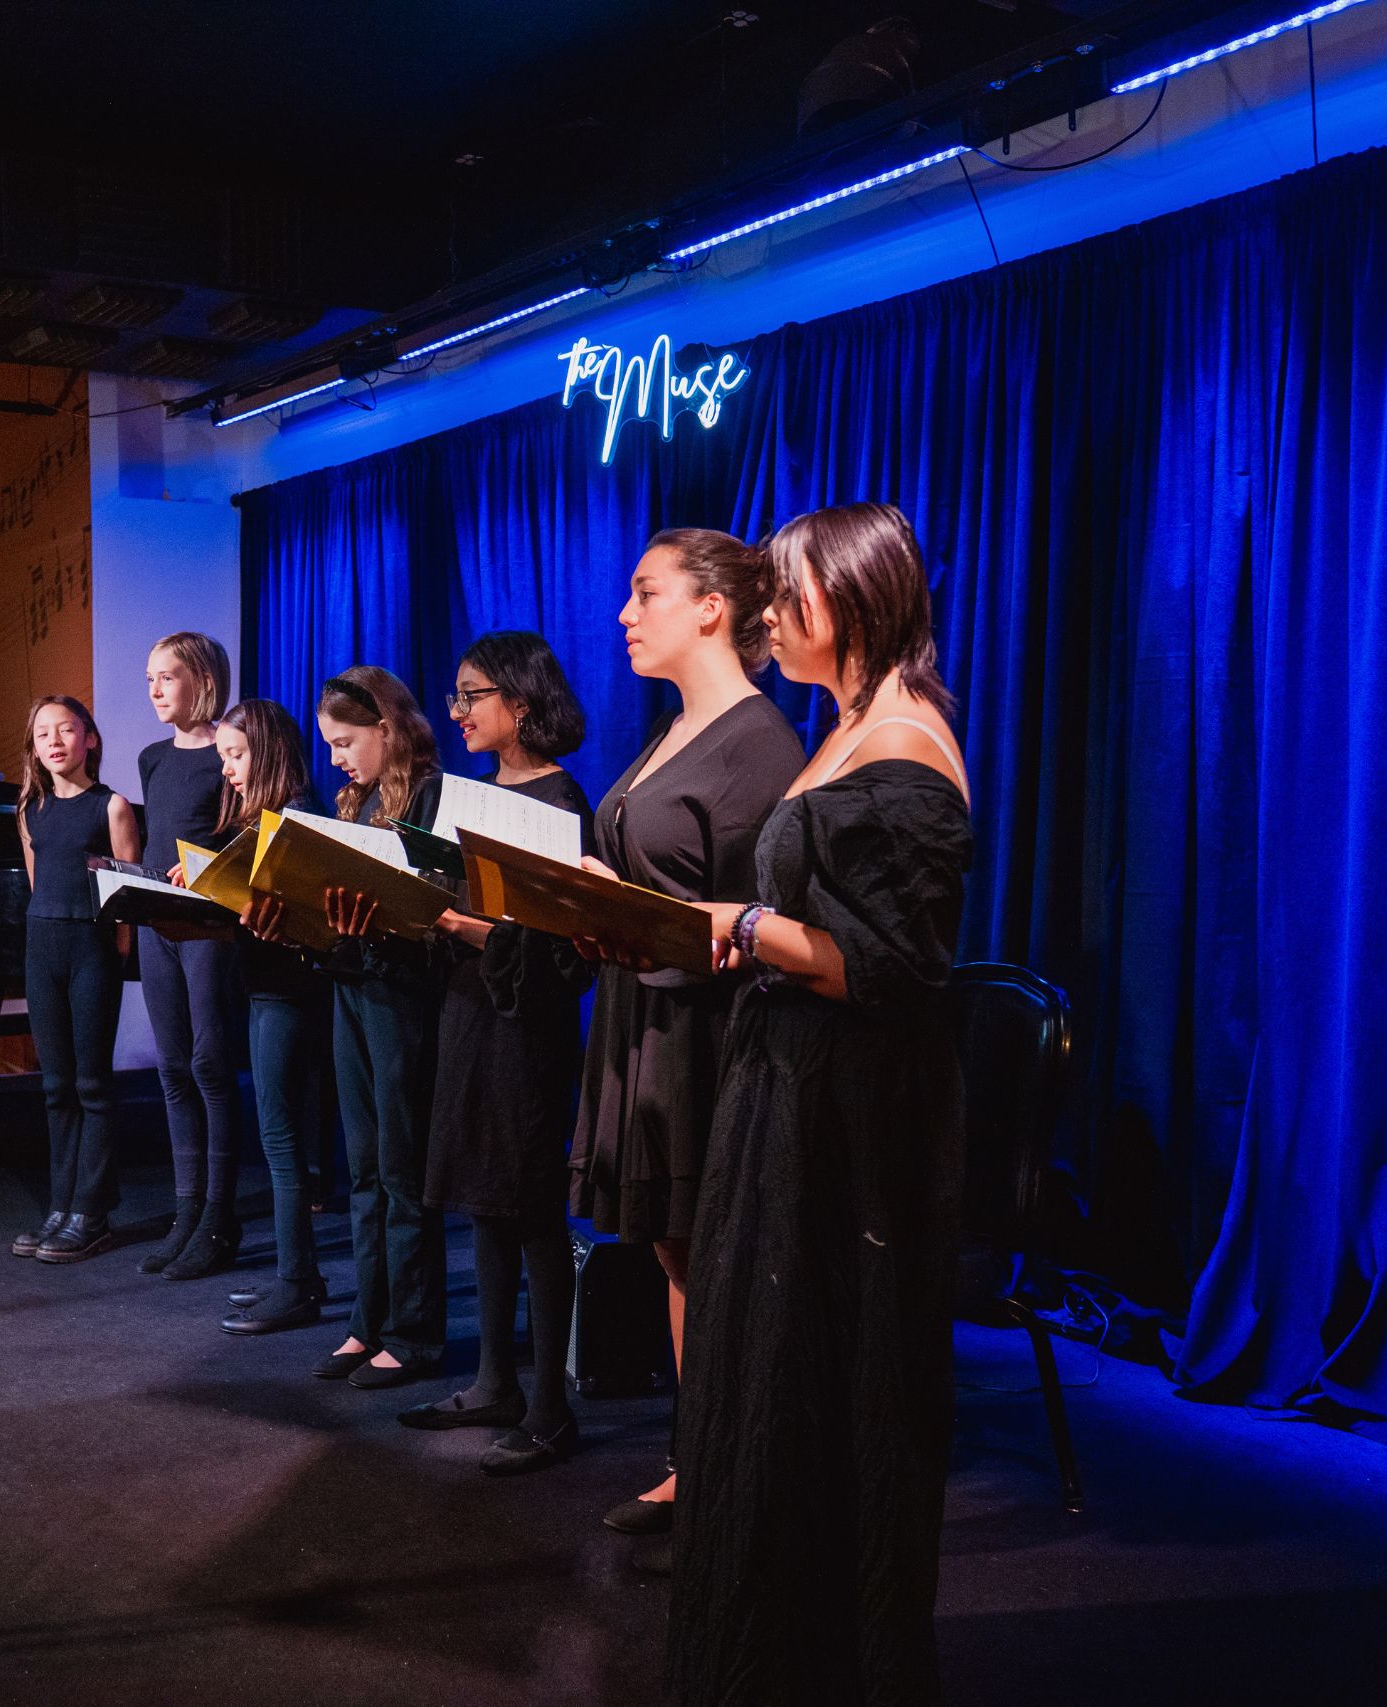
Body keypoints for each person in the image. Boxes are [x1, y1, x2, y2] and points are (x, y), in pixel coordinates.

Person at [668, 504, 973, 1706]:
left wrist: (742, 927)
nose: (768, 614)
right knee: (772, 1392)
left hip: (846, 1126)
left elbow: (898, 966)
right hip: (792, 1093)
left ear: (849, 595)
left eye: (786, 591)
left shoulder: (903, 740)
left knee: (826, 1398)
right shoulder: (849, 726)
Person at [568, 528, 806, 1534]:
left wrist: (627, 914)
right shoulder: (672, 729)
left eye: (644, 592)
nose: (625, 613)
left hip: (707, 1033)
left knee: (715, 1261)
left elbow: (761, 920)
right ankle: (695, 1458)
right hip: (644, 1015)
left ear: (711, 606)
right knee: (677, 1257)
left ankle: (735, 1481)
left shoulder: (757, 746)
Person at [407, 632, 598, 1473]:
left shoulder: (561, 803)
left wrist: (470, 929)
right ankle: (493, 1381)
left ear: (520, 702)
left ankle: (552, 1408)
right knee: (484, 1197)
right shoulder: (468, 796)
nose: (458, 711)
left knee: (529, 1205)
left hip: (528, 1027)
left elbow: (566, 954)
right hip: (468, 1012)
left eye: (472, 693)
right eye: (454, 694)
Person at [274, 666, 448, 1388]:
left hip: (405, 997)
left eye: (347, 742)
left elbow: (442, 908)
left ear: (387, 727)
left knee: (403, 1169)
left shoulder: (432, 795)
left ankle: (414, 1333)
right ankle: (366, 1320)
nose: (338, 758)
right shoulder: (357, 801)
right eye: (331, 745)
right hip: (354, 987)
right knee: (365, 1166)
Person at [210, 698, 335, 1331]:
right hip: (266, 991)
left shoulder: (300, 818)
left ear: (269, 751)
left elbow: (309, 921)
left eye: (236, 755)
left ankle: (298, 1284)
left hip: (291, 996)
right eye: (223, 757)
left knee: (284, 1145)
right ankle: (297, 1273)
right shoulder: (263, 819)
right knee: (278, 1141)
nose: (228, 769)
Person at [134, 632, 249, 1280]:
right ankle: (186, 1213)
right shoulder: (153, 757)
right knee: (173, 1065)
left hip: (207, 927)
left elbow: (240, 842)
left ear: (202, 680)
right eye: (149, 677)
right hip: (156, 923)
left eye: (167, 676)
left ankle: (218, 1217)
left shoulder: (225, 758)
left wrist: (201, 870)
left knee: (209, 1063)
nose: (153, 689)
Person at [12, 695, 140, 1263]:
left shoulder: (110, 806)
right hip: (43, 946)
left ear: (90, 737)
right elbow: (40, 884)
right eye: (44, 734)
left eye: (66, 730)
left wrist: (112, 957)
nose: (55, 741)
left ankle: (92, 1209)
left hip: (91, 950)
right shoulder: (29, 809)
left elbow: (128, 895)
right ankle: (61, 1205)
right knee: (55, 1085)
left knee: (91, 1084)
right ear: (35, 748)